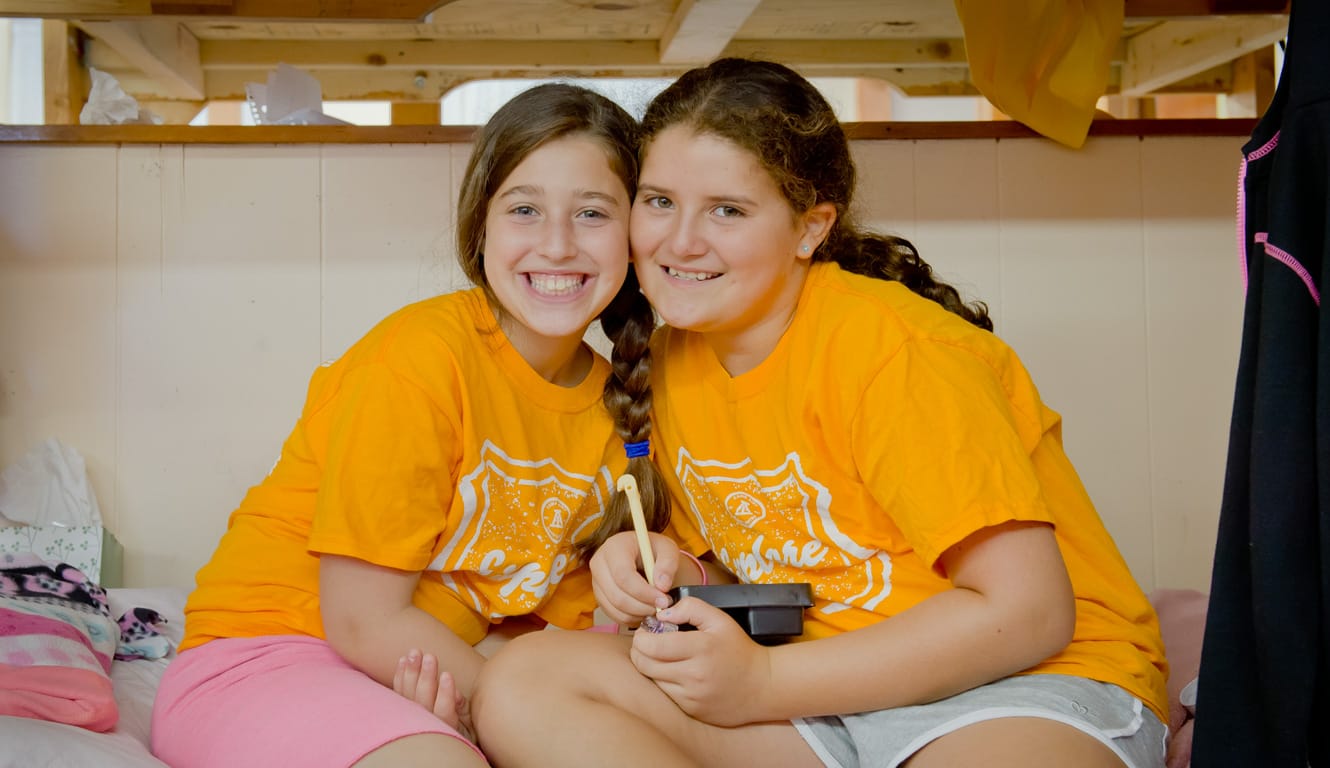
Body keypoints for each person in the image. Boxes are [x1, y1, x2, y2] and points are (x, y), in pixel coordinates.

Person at [469, 58, 1170, 768]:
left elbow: (1028, 615)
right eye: (658, 202)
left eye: (728, 210)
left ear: (810, 229)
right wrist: (673, 570)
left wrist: (764, 681)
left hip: (1018, 690)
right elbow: (763, 558)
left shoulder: (896, 353)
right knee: (523, 684)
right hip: (817, 697)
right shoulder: (674, 355)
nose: (679, 241)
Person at [150, 82, 670, 768]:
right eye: (524, 209)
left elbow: (548, 631)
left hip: (419, 679)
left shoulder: (620, 410)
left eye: (593, 214)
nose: (556, 244)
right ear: (482, 226)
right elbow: (362, 620)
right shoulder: (422, 357)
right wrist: (504, 707)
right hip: (272, 656)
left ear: (633, 233)